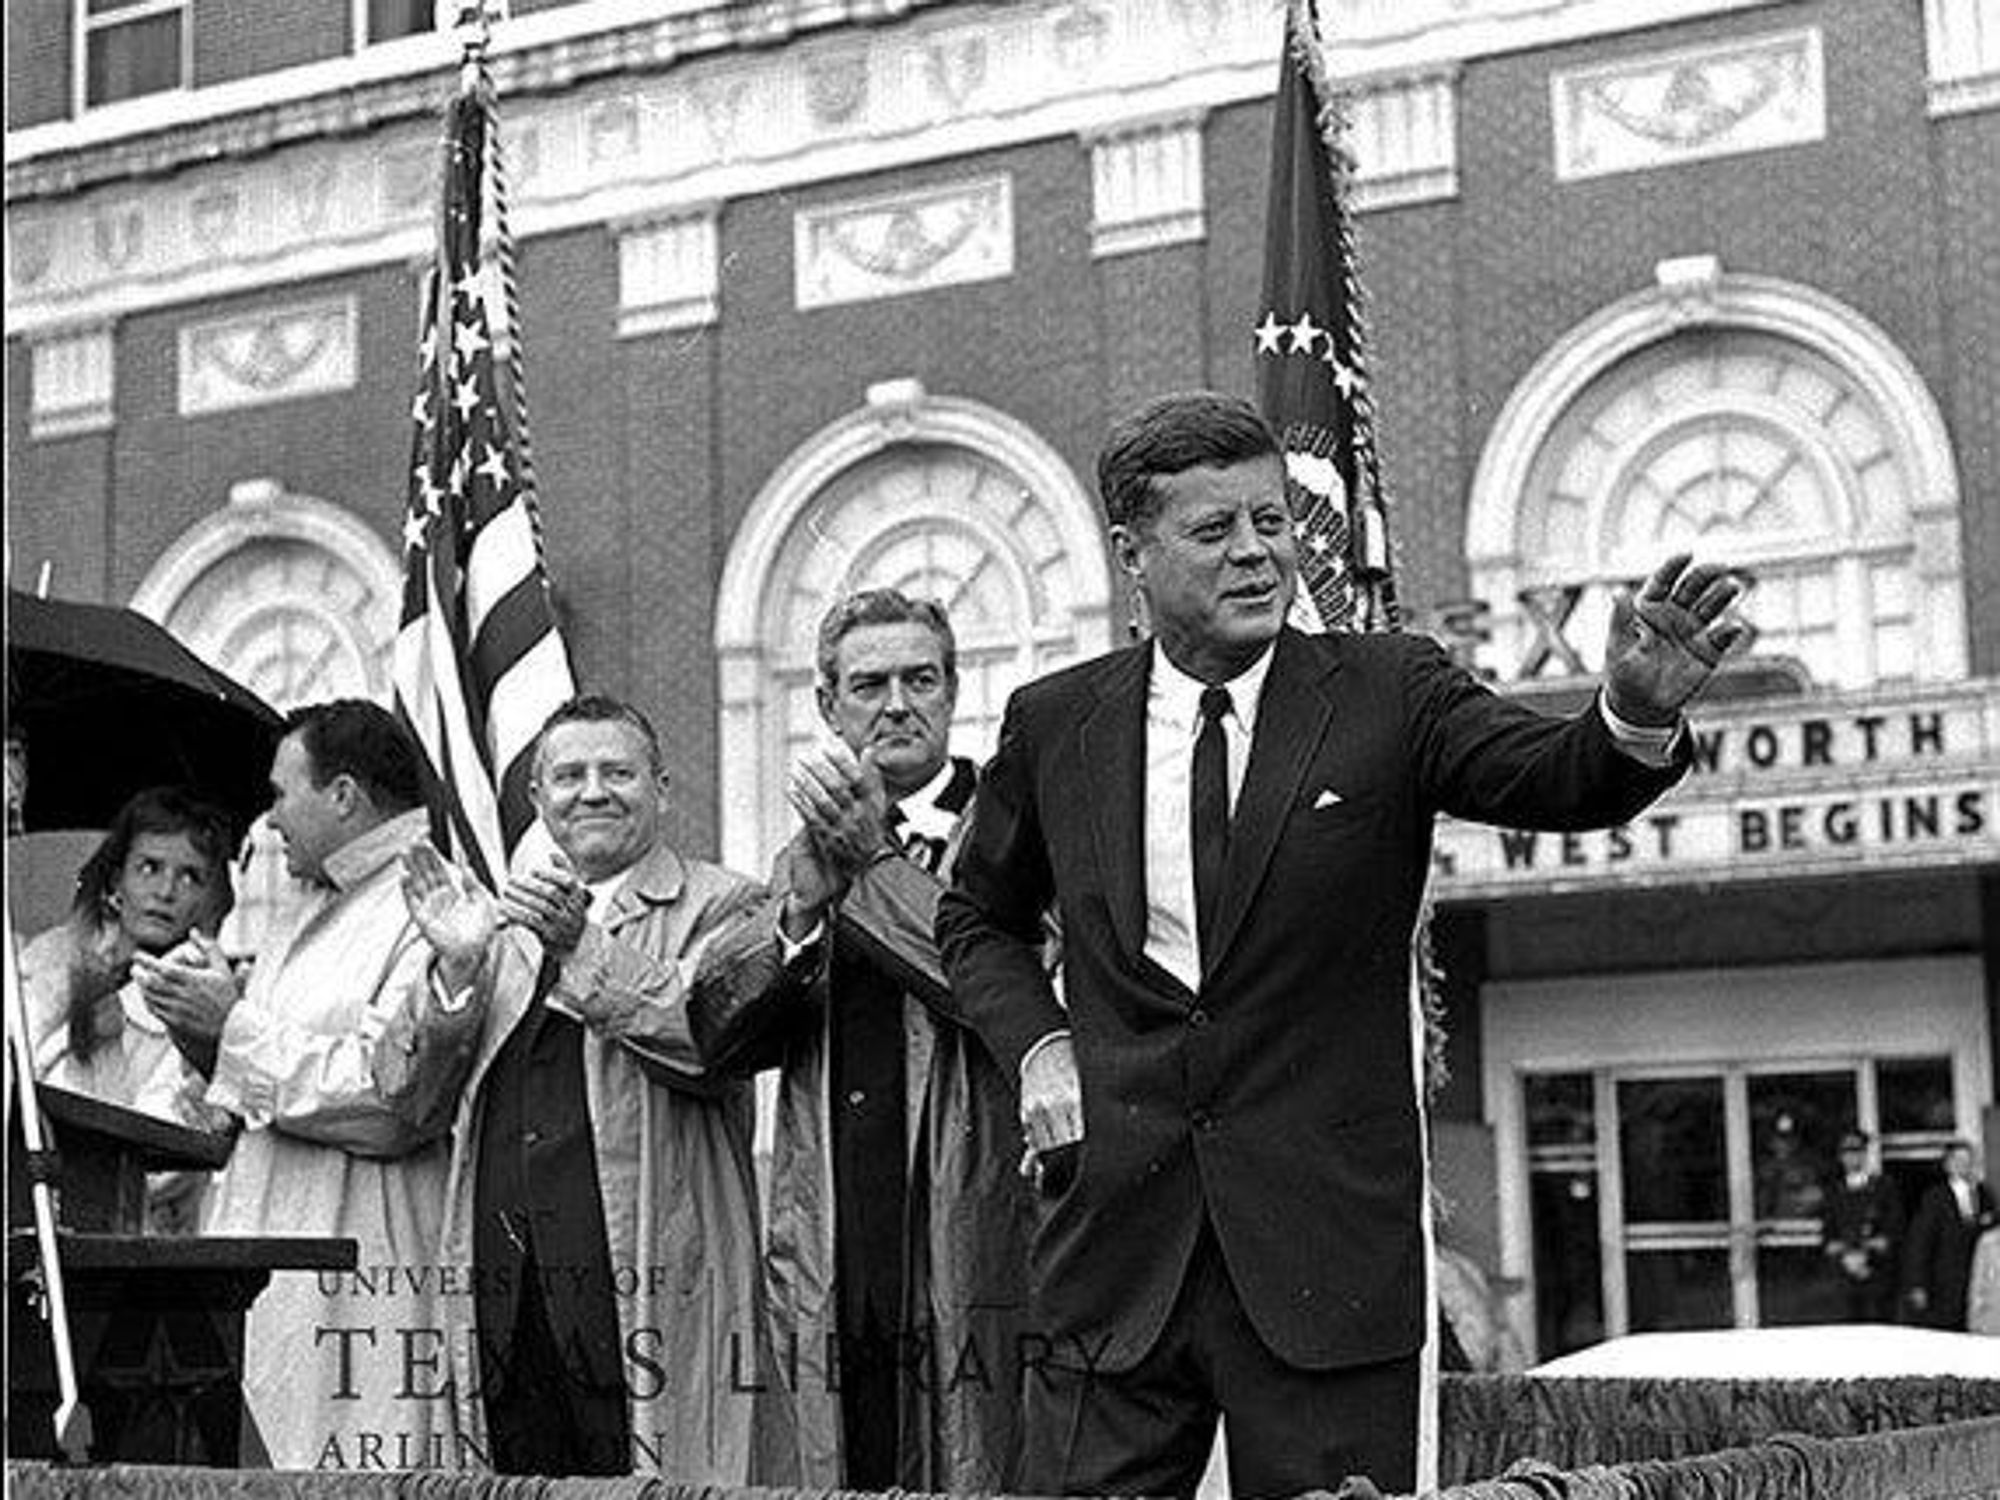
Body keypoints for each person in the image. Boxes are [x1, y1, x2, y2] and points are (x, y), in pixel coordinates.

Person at [936, 390, 1751, 1498]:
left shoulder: (1388, 689)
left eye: (1269, 522)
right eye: (1213, 531)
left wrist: (1630, 712)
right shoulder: (1053, 723)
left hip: (1323, 1267)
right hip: (1115, 1260)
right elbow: (974, 915)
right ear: (1132, 554)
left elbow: (1555, 776)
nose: (1254, 554)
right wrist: (1037, 1045)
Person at [430, 694, 818, 1480]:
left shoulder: (727, 902)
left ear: (663, 788)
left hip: (645, 1276)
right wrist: (454, 972)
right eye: (569, 776)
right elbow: (412, 1097)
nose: (594, 791)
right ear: (538, 800)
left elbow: (711, 1041)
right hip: (505, 1286)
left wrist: (582, 946)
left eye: (618, 771)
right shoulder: (499, 927)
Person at [698, 590, 1032, 1489]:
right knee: (844, 1456)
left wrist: (869, 868)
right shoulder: (805, 853)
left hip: (969, 1209)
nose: (896, 703)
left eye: (920, 678)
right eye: (869, 683)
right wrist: (801, 911)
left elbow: (1007, 991)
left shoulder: (1009, 825)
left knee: (974, 1452)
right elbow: (719, 1037)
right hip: (835, 1222)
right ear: (827, 706)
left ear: (955, 690)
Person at [132, 700, 497, 1469]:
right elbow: (265, 1078)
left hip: (359, 1274)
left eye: (278, 794)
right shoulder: (314, 907)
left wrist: (231, 1030)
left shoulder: (430, 907)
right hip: (269, 1268)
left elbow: (396, 1103)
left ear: (343, 795)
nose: (267, 822)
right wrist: (198, 1033)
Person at [17, 787, 238, 1232]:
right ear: (117, 880)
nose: (166, 891)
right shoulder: (52, 963)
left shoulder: (203, 997)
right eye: (149, 868)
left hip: (138, 1237)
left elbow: (172, 1158)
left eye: (190, 876)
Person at [1900, 1139, 1998, 1331]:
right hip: (1944, 1284)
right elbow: (1920, 1242)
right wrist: (1918, 1284)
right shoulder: (1934, 1197)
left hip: (1978, 1283)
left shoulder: (1985, 1195)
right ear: (1947, 1165)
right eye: (1958, 1160)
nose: (1965, 1165)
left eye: (1969, 1160)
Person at [1818, 1129, 1903, 1322]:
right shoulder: (1833, 1191)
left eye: (1857, 1151)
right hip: (1844, 1278)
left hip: (1877, 1276)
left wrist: (1869, 1252)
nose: (1852, 1157)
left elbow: (1894, 1229)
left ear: (1865, 1154)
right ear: (1841, 1157)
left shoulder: (1884, 1187)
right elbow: (1828, 1234)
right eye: (1847, 1152)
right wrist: (1845, 1255)